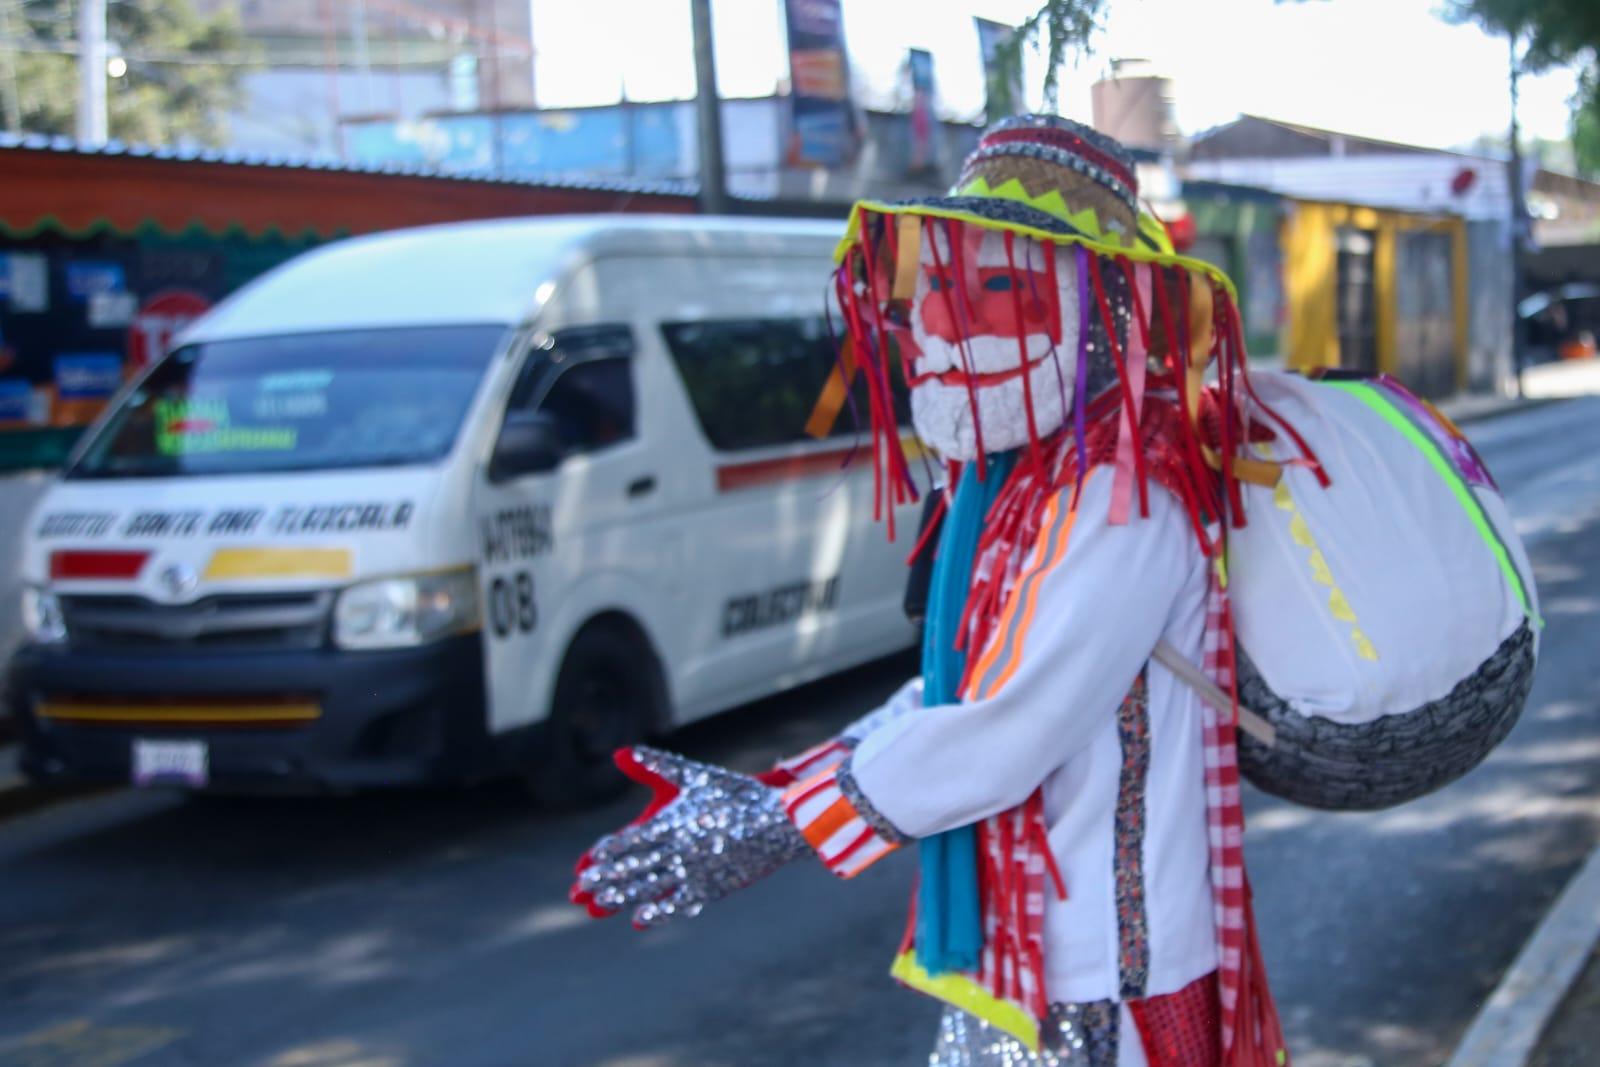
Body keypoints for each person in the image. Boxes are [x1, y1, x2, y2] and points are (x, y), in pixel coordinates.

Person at [571, 115, 1296, 1067]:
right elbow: (948, 693)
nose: (946, 324)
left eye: (999, 288)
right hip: (1018, 964)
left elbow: (1003, 729)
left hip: (1112, 980)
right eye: (940, 285)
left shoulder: (1129, 498)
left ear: (1100, 312)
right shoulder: (1010, 489)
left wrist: (784, 824)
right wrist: (779, 788)